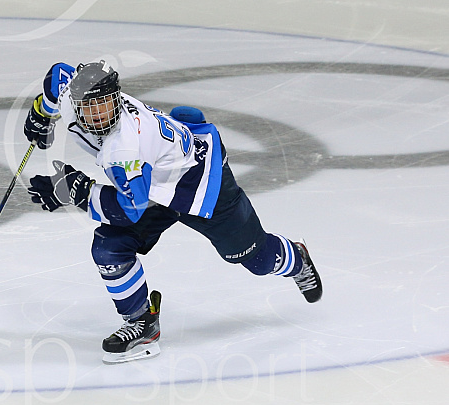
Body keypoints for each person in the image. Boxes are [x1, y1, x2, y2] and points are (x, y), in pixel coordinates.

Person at [23, 60, 322, 364]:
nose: (99, 113)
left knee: (255, 258)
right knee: (110, 248)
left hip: (200, 183)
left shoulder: (123, 147)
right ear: (75, 104)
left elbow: (132, 211)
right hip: (152, 180)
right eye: (90, 107)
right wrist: (41, 113)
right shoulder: (71, 98)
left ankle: (297, 259)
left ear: (116, 96)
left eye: (105, 103)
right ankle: (142, 324)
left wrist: (78, 191)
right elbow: (59, 74)